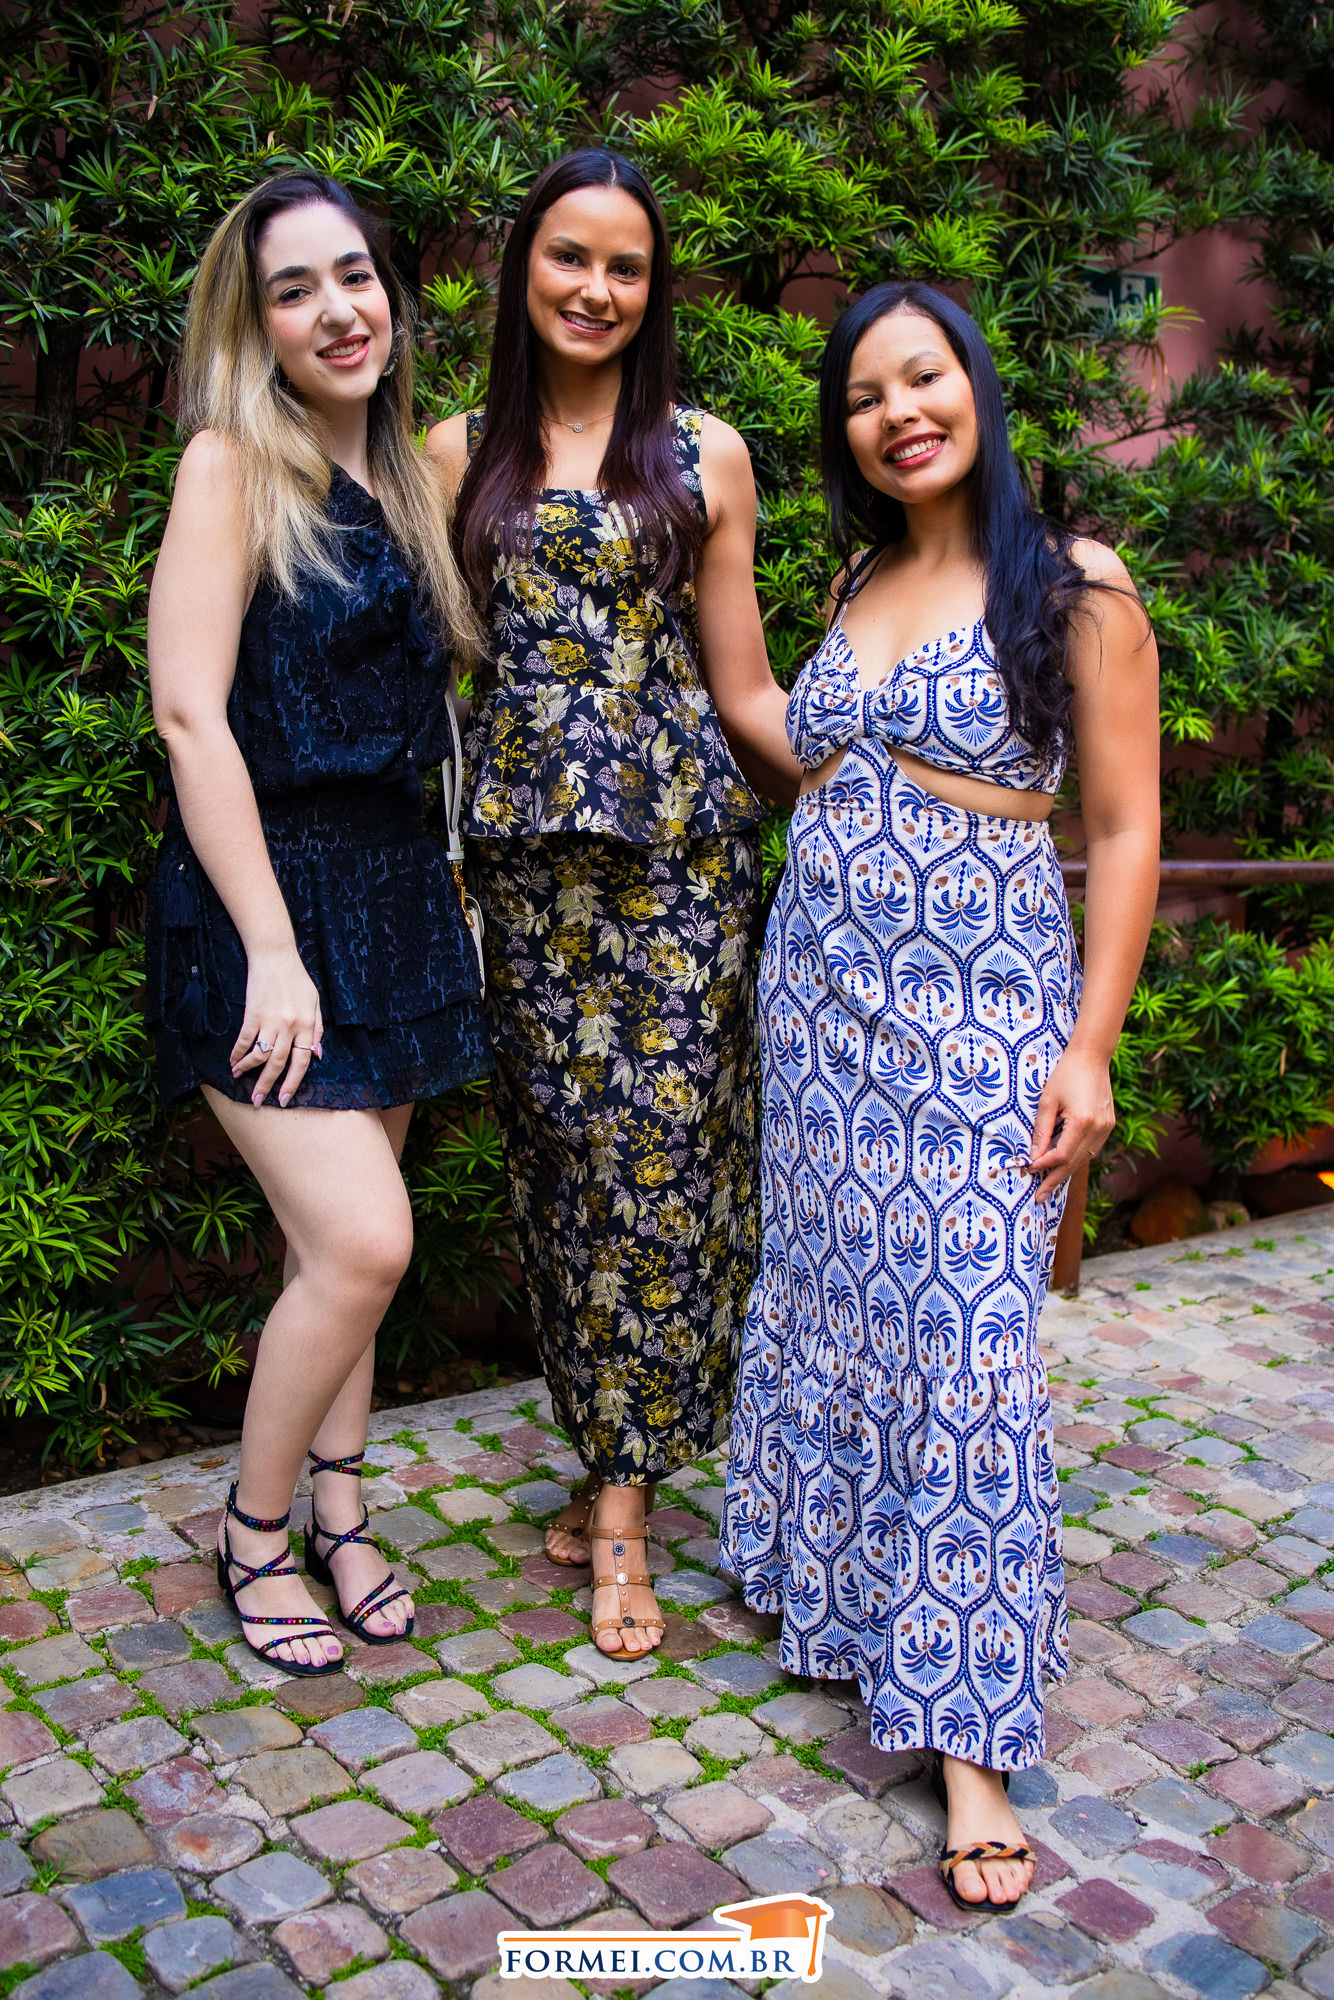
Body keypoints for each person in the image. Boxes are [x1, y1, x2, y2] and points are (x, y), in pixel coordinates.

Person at [720, 280, 1160, 1911]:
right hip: (819, 1009)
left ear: (974, 385)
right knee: (840, 1297)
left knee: (970, 1344)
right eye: (862, 397)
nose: (896, 413)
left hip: (981, 1024)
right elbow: (798, 749)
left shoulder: (1077, 584)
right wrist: (711, 582)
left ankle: (968, 1739)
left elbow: (1122, 828)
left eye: (922, 378)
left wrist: (1088, 1048)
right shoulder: (856, 578)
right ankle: (833, 1595)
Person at [430, 148, 796, 1659]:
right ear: (524, 267)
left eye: (625, 266)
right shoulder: (453, 454)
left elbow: (743, 686)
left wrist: (881, 789)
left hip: (681, 875)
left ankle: (626, 1512)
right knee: (565, 1184)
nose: (595, 288)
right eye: (569, 257)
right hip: (530, 887)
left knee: (667, 1179)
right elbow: (436, 686)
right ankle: (609, 1462)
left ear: (655, 291)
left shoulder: (703, 453)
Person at [145, 171, 490, 1676]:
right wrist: (274, 951)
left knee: (333, 1257)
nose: (339, 310)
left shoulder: (413, 476)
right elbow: (189, 716)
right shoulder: (232, 464)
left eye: (355, 276)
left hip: (394, 893)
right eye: (296, 290)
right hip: (261, 907)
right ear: (257, 323)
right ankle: (254, 1531)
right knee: (363, 1242)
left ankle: (343, 1510)